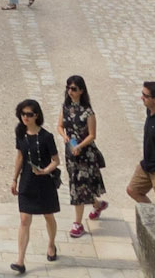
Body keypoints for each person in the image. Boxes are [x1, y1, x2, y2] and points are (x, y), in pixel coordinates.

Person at [11, 98, 61, 270]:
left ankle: (52, 244)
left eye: (29, 114)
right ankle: (20, 260)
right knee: (24, 220)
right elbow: (19, 157)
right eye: (23, 114)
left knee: (48, 216)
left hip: (44, 182)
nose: (25, 117)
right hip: (27, 181)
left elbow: (56, 160)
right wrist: (14, 179)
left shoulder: (47, 137)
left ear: (36, 116)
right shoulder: (21, 134)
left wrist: (45, 171)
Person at [60, 75, 107, 235]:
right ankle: (97, 204)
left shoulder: (88, 112)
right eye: (68, 88)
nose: (70, 91)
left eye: (73, 89)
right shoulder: (65, 107)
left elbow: (92, 135)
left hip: (85, 154)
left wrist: (79, 145)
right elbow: (60, 126)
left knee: (79, 188)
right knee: (78, 185)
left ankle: (77, 224)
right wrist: (65, 136)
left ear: (81, 91)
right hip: (71, 153)